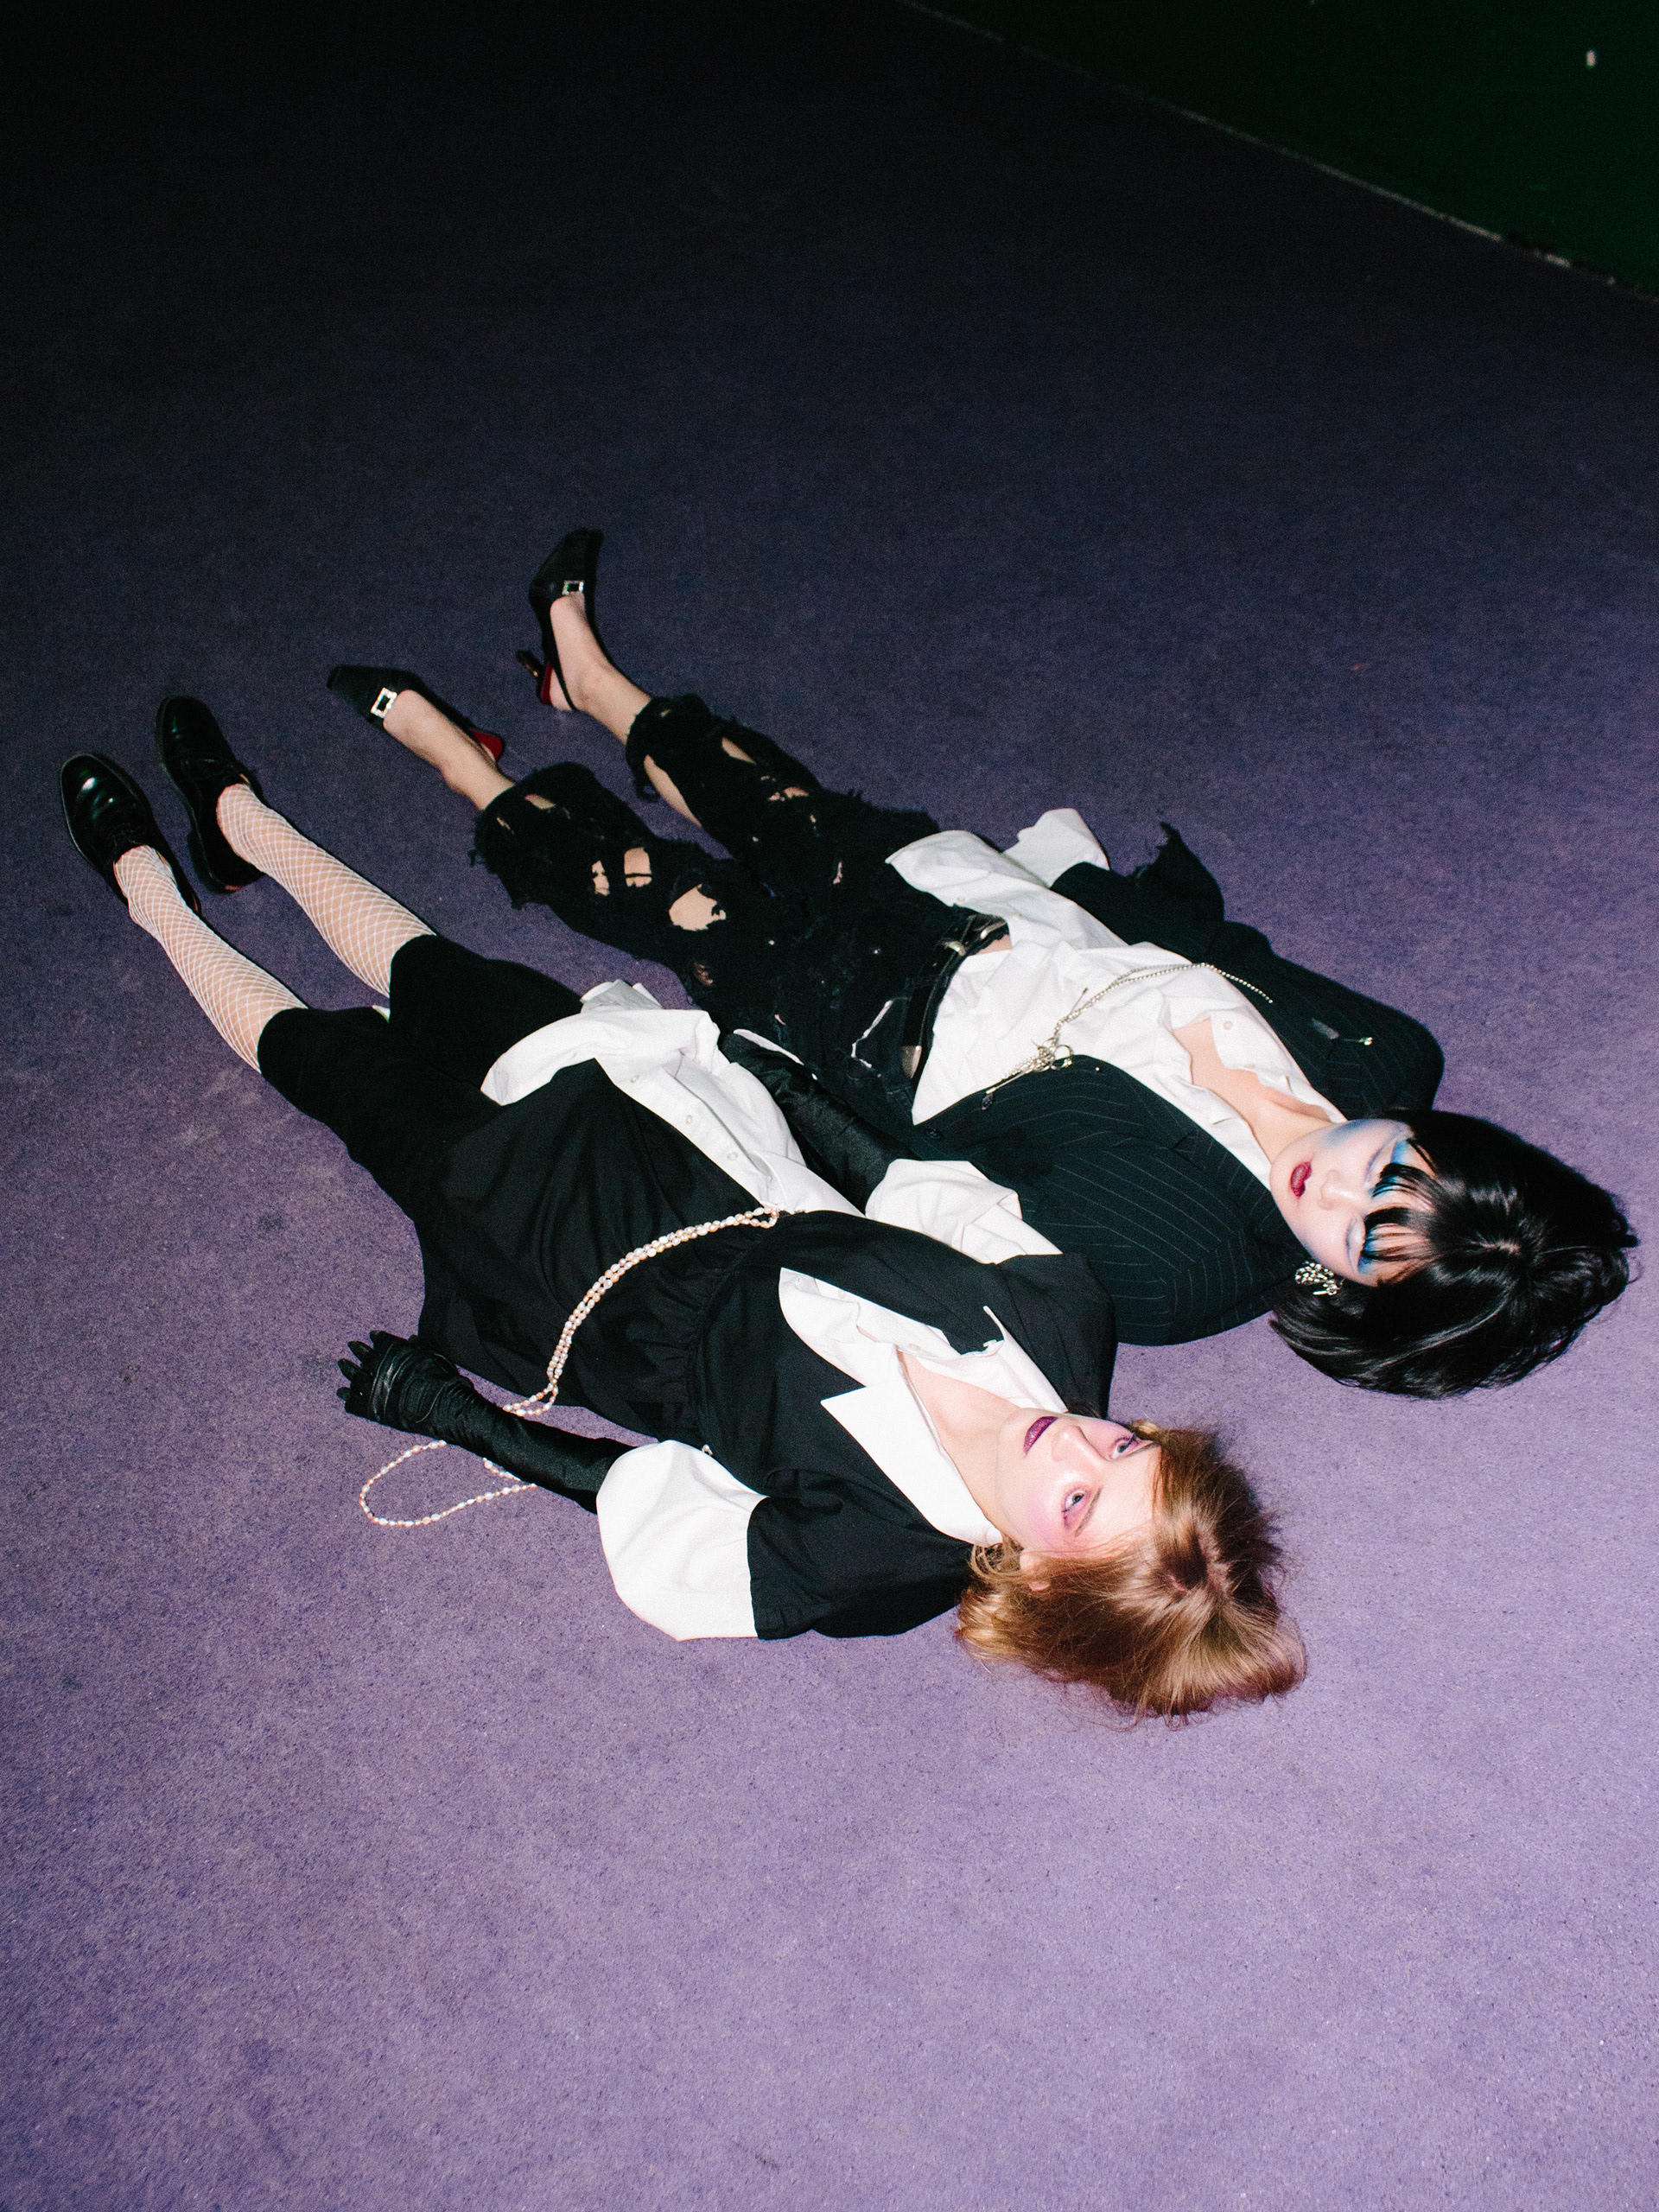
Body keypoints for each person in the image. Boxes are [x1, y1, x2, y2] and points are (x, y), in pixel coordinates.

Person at [56, 709, 1303, 1719]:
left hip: (568, 1267)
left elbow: (652, 1514)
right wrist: (768, 1072)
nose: (1077, 1445)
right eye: (1127, 1450)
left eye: (1081, 1504)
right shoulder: (1060, 1308)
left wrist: (464, 1422)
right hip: (694, 1149)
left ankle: (147, 890)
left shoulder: (868, 1566)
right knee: (439, 976)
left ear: (1038, 1581)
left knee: (339, 1072)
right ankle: (247, 822)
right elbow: (895, 1178)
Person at [327, 531, 1634, 1396]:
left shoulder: (1181, 1274)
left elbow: (935, 1181)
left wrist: (771, 1068)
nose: (1337, 1187)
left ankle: (460, 761)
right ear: (1435, 1136)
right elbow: (1229, 951)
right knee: (771, 797)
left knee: (650, 891)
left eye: (1361, 1245)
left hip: (873, 1022)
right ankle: (592, 680)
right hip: (994, 913)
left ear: (1352, 1298)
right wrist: (1067, 886)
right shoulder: (1388, 1055)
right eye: (1394, 1172)